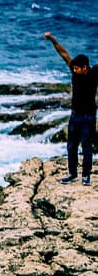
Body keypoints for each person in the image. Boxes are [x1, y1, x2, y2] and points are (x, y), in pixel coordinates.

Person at [44, 32, 96, 184]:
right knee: (71, 146)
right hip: (75, 116)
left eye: (77, 69)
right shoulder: (74, 69)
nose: (74, 70)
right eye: (73, 68)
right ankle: (72, 174)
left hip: (89, 117)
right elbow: (63, 53)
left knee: (86, 146)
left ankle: (86, 176)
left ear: (85, 68)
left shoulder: (94, 74)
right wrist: (52, 39)